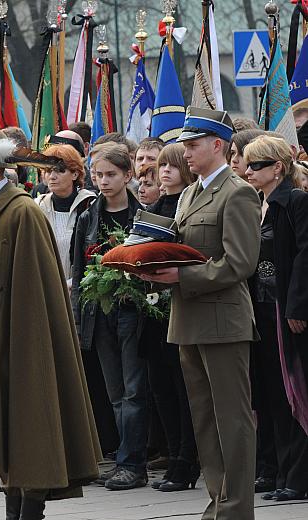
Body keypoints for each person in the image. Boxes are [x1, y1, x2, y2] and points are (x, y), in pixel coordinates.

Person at [0, 125, 100, 519]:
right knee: (2, 428)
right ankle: (12, 502)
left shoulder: (22, 212)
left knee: (29, 422)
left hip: (21, 342)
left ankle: (30, 506)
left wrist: (27, 349)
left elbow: (38, 295)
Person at [141, 107, 261, 520]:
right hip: (188, 319)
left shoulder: (238, 192)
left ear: (217, 145)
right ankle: (218, 501)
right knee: (205, 422)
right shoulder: (190, 193)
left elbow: (239, 263)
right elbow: (183, 248)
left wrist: (180, 276)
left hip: (223, 321)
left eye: (193, 145)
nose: (185, 154)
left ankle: (236, 509)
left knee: (232, 421)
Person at [72, 143, 147, 490]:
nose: (103, 181)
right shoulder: (88, 216)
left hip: (132, 310)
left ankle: (133, 463)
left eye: (111, 174)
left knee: (133, 390)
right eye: (98, 174)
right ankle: (123, 458)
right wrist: (77, 318)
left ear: (127, 175)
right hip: (98, 312)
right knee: (114, 391)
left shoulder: (143, 214)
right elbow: (78, 268)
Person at [243, 135, 308, 502]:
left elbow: (304, 256)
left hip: (287, 312)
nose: (248, 171)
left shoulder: (296, 202)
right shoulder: (258, 204)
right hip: (262, 311)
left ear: (277, 168)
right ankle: (282, 472)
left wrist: (298, 306)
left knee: (295, 391)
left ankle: (298, 477)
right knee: (270, 395)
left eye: (256, 165)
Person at [142, 143, 200, 492]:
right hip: (152, 311)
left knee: (183, 389)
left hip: (178, 305)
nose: (163, 172)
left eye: (171, 166)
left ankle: (186, 460)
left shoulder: (185, 207)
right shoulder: (153, 208)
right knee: (160, 388)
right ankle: (172, 451)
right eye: (160, 166)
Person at [34, 144, 96, 285]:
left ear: (75, 174)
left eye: (60, 171)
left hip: (80, 288)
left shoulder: (90, 206)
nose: (53, 176)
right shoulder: (37, 206)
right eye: (48, 171)